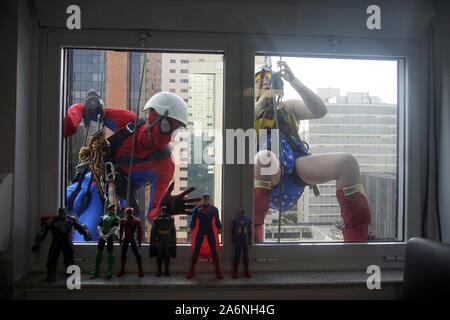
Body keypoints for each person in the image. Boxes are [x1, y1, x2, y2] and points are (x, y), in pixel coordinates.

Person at [253, 60, 371, 242]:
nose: (266, 82)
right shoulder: (247, 111)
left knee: (348, 163)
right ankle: (253, 241)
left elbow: (319, 110)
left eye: (269, 79)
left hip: (295, 165)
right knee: (265, 158)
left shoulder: (287, 107)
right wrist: (262, 101)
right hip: (266, 175)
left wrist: (293, 80)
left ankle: (357, 241)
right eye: (260, 81)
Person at [64, 91, 199, 241]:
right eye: (167, 127)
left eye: (175, 132)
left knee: (90, 238)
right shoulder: (128, 123)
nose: (169, 137)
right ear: (153, 117)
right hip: (88, 182)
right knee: (50, 205)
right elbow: (84, 109)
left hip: (112, 200)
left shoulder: (165, 165)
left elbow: (152, 215)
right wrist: (69, 123)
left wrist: (163, 211)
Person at [31, 207, 92, 282]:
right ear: (58, 213)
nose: (62, 213)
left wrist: (86, 233)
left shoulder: (71, 220)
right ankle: (51, 274)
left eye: (63, 212)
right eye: (61, 212)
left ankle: (69, 272)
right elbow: (42, 232)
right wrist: (37, 242)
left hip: (67, 241)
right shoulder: (52, 221)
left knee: (69, 257)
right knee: (52, 258)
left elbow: (80, 227)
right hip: (57, 241)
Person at [187, 194, 223, 279]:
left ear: (209, 200)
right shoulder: (197, 209)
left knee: (214, 250)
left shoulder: (214, 209)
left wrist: (219, 228)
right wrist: (191, 228)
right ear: (202, 200)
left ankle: (218, 270)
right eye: (204, 199)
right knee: (196, 250)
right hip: (201, 230)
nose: (206, 201)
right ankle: (191, 270)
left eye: (207, 199)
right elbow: (193, 221)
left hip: (210, 230)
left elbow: (217, 220)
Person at [90, 203, 120, 279]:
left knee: (110, 252)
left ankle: (109, 271)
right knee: (99, 252)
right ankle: (96, 270)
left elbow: (114, 227)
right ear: (109, 209)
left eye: (114, 210)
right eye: (113, 209)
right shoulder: (103, 217)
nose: (114, 211)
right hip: (102, 235)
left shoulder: (116, 218)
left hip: (110, 236)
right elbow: (99, 226)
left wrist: (108, 235)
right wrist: (100, 234)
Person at [150, 205, 177, 277]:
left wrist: (172, 240)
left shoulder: (170, 219)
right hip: (160, 239)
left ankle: (166, 270)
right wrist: (155, 239)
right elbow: (153, 231)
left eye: (164, 210)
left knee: (167, 255)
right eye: (163, 210)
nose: (164, 212)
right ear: (161, 211)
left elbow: (173, 231)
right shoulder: (156, 219)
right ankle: (159, 270)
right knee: (159, 255)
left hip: (167, 239)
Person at [117, 207, 144, 278]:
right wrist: (120, 239)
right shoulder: (123, 221)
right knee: (124, 255)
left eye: (129, 213)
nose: (129, 214)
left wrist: (140, 241)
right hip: (127, 239)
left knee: (137, 254)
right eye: (128, 213)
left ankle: (140, 270)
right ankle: (123, 270)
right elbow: (120, 231)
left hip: (131, 239)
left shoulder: (136, 221)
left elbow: (140, 232)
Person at [231, 208, 252, 278]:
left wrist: (250, 239)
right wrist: (233, 237)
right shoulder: (235, 219)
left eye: (244, 212)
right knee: (237, 254)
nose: (243, 214)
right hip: (238, 238)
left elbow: (250, 230)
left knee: (246, 254)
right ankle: (235, 271)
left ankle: (246, 270)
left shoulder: (248, 219)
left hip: (245, 238)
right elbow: (233, 229)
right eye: (242, 212)